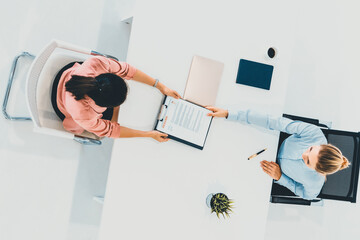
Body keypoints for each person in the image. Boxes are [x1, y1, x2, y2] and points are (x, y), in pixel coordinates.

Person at [206, 107, 350, 200]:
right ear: (321, 145)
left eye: (307, 162)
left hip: (264, 170)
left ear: (318, 171)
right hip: (270, 142)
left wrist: (281, 177)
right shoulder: (314, 134)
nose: (303, 155)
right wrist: (229, 114)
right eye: (310, 149)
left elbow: (308, 196)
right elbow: (274, 122)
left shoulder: (315, 182)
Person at [52, 56, 181, 142]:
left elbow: (127, 70)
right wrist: (148, 134)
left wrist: (160, 86)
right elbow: (111, 130)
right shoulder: (84, 114)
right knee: (102, 130)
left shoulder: (96, 64)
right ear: (106, 106)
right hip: (61, 102)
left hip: (71, 75)